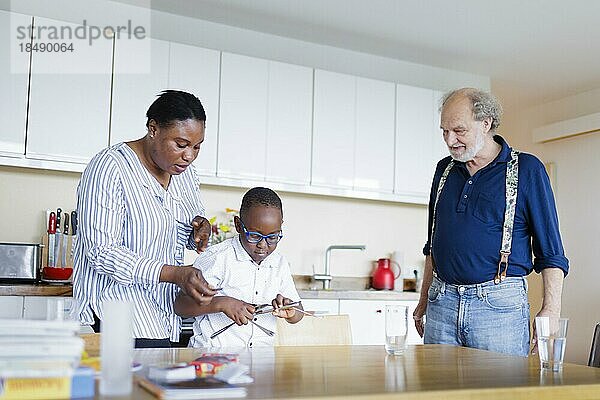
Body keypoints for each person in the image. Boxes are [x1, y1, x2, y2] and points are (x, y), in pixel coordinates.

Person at [413, 88, 569, 357]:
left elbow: (552, 253)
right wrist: (425, 297)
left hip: (498, 307)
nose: (450, 140)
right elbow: (433, 242)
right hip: (442, 303)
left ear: (486, 123)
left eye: (459, 130)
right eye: (444, 131)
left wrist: (551, 309)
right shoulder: (444, 169)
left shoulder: (527, 169)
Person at [73, 90, 218, 348]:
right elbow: (102, 252)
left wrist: (200, 228)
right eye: (181, 144)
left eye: (197, 147)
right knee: (126, 388)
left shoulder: (185, 173)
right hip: (118, 314)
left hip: (163, 314)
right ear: (153, 128)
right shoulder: (110, 167)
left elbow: (181, 230)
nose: (189, 156)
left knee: (156, 388)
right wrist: (174, 273)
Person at [174, 187, 304, 347]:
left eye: (273, 237)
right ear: (238, 225)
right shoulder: (218, 257)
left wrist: (290, 311)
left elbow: (298, 312)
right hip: (213, 357)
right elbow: (180, 304)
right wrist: (222, 303)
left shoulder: (279, 263)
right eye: (255, 236)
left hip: (260, 361)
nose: (263, 245)